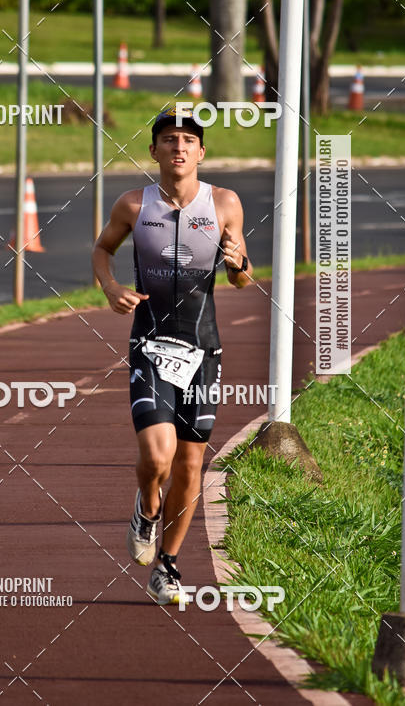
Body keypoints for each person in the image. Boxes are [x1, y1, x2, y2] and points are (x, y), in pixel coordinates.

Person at [92, 104, 252, 605]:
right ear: (154, 151)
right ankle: (146, 506)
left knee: (188, 465)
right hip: (150, 344)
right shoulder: (134, 206)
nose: (178, 147)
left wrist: (238, 262)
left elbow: (243, 276)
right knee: (156, 456)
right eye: (168, 140)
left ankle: (169, 565)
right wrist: (111, 287)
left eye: (188, 140)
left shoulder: (224, 204)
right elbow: (103, 251)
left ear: (201, 151)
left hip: (203, 349)